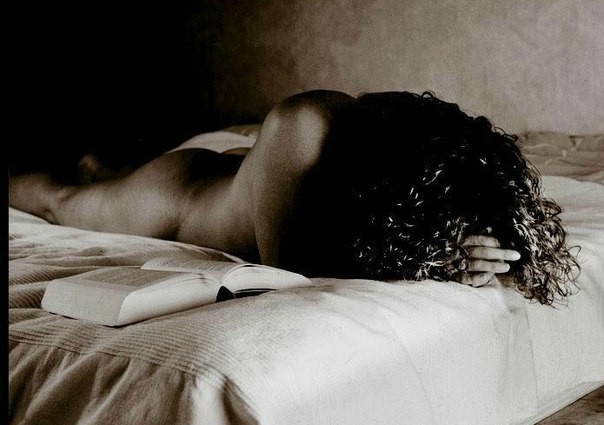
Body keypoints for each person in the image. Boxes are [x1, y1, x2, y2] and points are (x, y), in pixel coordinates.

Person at [8, 90, 579, 305]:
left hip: (241, 177)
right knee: (61, 200)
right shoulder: (302, 120)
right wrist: (442, 258)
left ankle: (100, 161)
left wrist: (497, 253)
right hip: (176, 200)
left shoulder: (385, 154)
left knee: (99, 170)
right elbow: (289, 264)